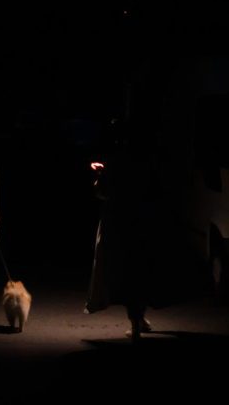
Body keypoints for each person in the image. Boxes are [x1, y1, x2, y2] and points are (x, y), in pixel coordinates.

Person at [84, 116, 160, 342]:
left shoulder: (117, 161)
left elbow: (102, 192)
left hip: (120, 224)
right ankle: (140, 319)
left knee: (126, 273)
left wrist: (99, 176)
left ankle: (136, 324)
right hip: (143, 222)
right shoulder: (147, 161)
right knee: (140, 271)